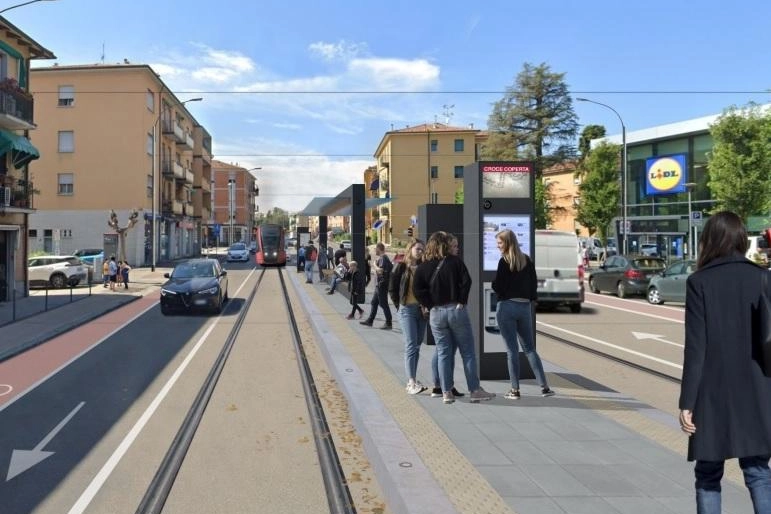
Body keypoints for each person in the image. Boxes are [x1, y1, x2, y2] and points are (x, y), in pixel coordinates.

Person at [679, 211, 771, 513]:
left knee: (707, 476)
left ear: (710, 239)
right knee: (758, 473)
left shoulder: (699, 281)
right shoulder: (762, 278)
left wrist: (687, 401)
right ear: (741, 239)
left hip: (711, 392)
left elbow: (696, 347)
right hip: (757, 389)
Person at [413, 231, 495, 404]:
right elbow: (467, 281)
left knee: (443, 352)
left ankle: (446, 392)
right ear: (444, 245)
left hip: (436, 314)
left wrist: (430, 304)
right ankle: (474, 390)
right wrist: (461, 300)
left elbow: (417, 290)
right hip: (456, 310)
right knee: (468, 353)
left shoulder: (423, 267)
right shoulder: (455, 262)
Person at [492, 229, 555, 400]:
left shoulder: (503, 262)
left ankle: (515, 390)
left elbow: (499, 286)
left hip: (506, 307)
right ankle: (545, 387)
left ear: (507, 243)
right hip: (524, 308)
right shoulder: (526, 260)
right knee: (529, 349)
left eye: (500, 243)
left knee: (511, 351)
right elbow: (534, 284)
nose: (498, 246)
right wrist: (531, 300)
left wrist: (494, 285)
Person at [389, 239, 428, 395]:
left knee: (417, 345)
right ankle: (411, 381)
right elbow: (392, 288)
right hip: (407, 310)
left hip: (421, 311)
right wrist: (400, 306)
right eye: (418, 249)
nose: (420, 252)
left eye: (422, 249)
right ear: (410, 249)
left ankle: (412, 379)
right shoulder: (401, 267)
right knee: (411, 344)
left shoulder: (424, 268)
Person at [428, 233, 463, 399]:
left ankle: (443, 385)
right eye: (455, 246)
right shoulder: (440, 264)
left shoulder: (446, 262)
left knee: (443, 350)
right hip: (444, 311)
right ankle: (443, 386)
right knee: (444, 351)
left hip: (441, 311)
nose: (457, 249)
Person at [360, 243, 393, 329]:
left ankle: (389, 323)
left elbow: (380, 271)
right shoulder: (383, 258)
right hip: (379, 285)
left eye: (375, 249)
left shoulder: (383, 258)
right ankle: (370, 321)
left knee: (383, 303)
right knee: (374, 302)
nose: (375, 251)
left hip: (381, 285)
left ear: (379, 249)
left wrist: (374, 264)